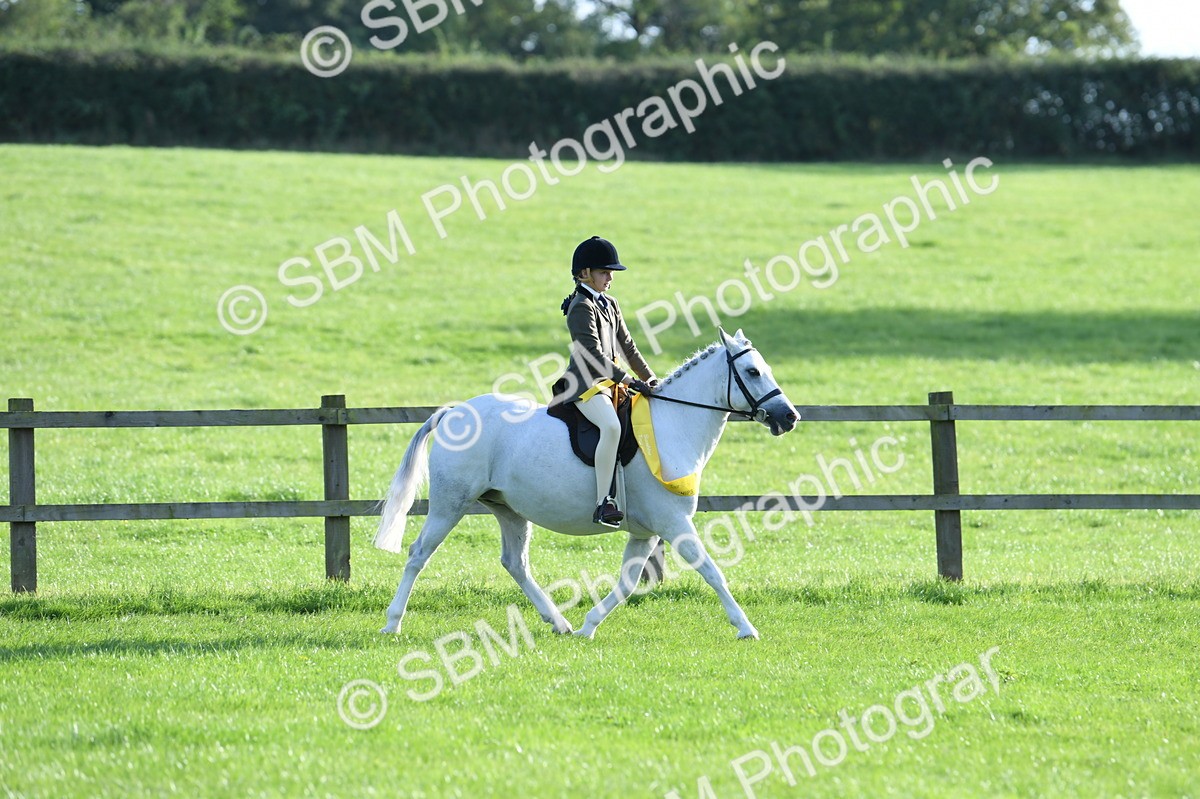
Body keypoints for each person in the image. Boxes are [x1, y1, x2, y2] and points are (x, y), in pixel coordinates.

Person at [559, 236, 659, 527]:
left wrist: (649, 378)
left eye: (611, 273)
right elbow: (592, 355)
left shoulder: (610, 304)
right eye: (605, 272)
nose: (610, 278)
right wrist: (628, 379)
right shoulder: (581, 307)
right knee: (611, 426)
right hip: (586, 384)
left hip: (613, 382)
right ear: (584, 273)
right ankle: (604, 502)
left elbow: (628, 347)